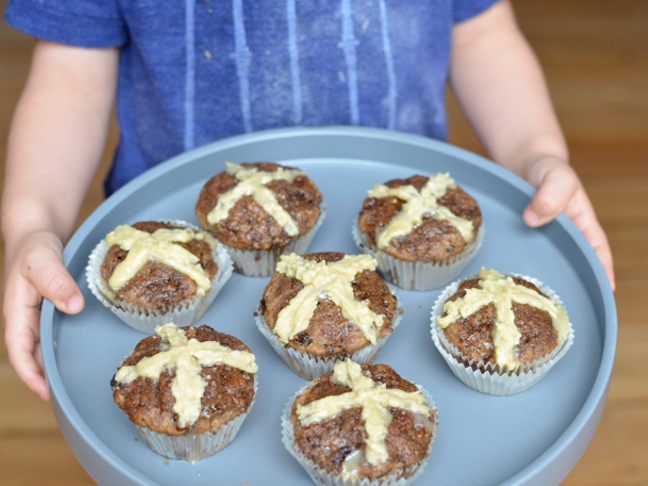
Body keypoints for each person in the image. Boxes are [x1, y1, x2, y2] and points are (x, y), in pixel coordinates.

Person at [2, 0, 614, 402]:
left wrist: (537, 155)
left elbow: (484, 36)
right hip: (176, 228)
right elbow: (68, 80)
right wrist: (32, 223)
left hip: (402, 205)